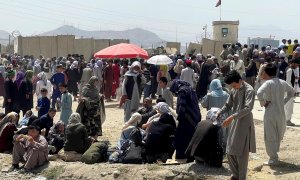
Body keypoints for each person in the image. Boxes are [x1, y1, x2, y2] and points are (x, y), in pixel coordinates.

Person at [217, 70, 256, 180]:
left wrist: (232, 117)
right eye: (232, 86)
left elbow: (248, 108)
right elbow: (228, 104)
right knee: (230, 150)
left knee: (241, 154)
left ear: (240, 80)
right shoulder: (234, 89)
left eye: (234, 85)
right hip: (234, 123)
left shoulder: (249, 90)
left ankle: (242, 177)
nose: (233, 88)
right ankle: (235, 175)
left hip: (244, 124)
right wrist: (219, 112)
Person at [257, 63, 294, 165]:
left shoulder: (268, 83)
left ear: (267, 73)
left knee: (270, 135)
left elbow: (259, 92)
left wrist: (263, 103)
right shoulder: (282, 82)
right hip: (281, 112)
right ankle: (274, 156)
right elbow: (292, 92)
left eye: (263, 72)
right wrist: (283, 101)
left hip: (270, 112)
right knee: (278, 133)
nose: (262, 74)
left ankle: (273, 158)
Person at [170, 80, 201, 161]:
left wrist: (179, 120)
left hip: (187, 118)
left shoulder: (182, 91)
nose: (175, 94)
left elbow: (182, 106)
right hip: (195, 117)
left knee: (181, 137)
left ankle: (182, 156)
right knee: (190, 137)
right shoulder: (190, 89)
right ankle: (190, 156)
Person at [285, 59, 300, 126]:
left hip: (288, 90)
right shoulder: (290, 70)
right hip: (289, 91)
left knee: (287, 106)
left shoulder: (289, 69)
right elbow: (288, 82)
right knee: (289, 106)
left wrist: (296, 78)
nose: (297, 66)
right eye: (296, 64)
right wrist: (292, 91)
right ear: (293, 63)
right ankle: (287, 120)